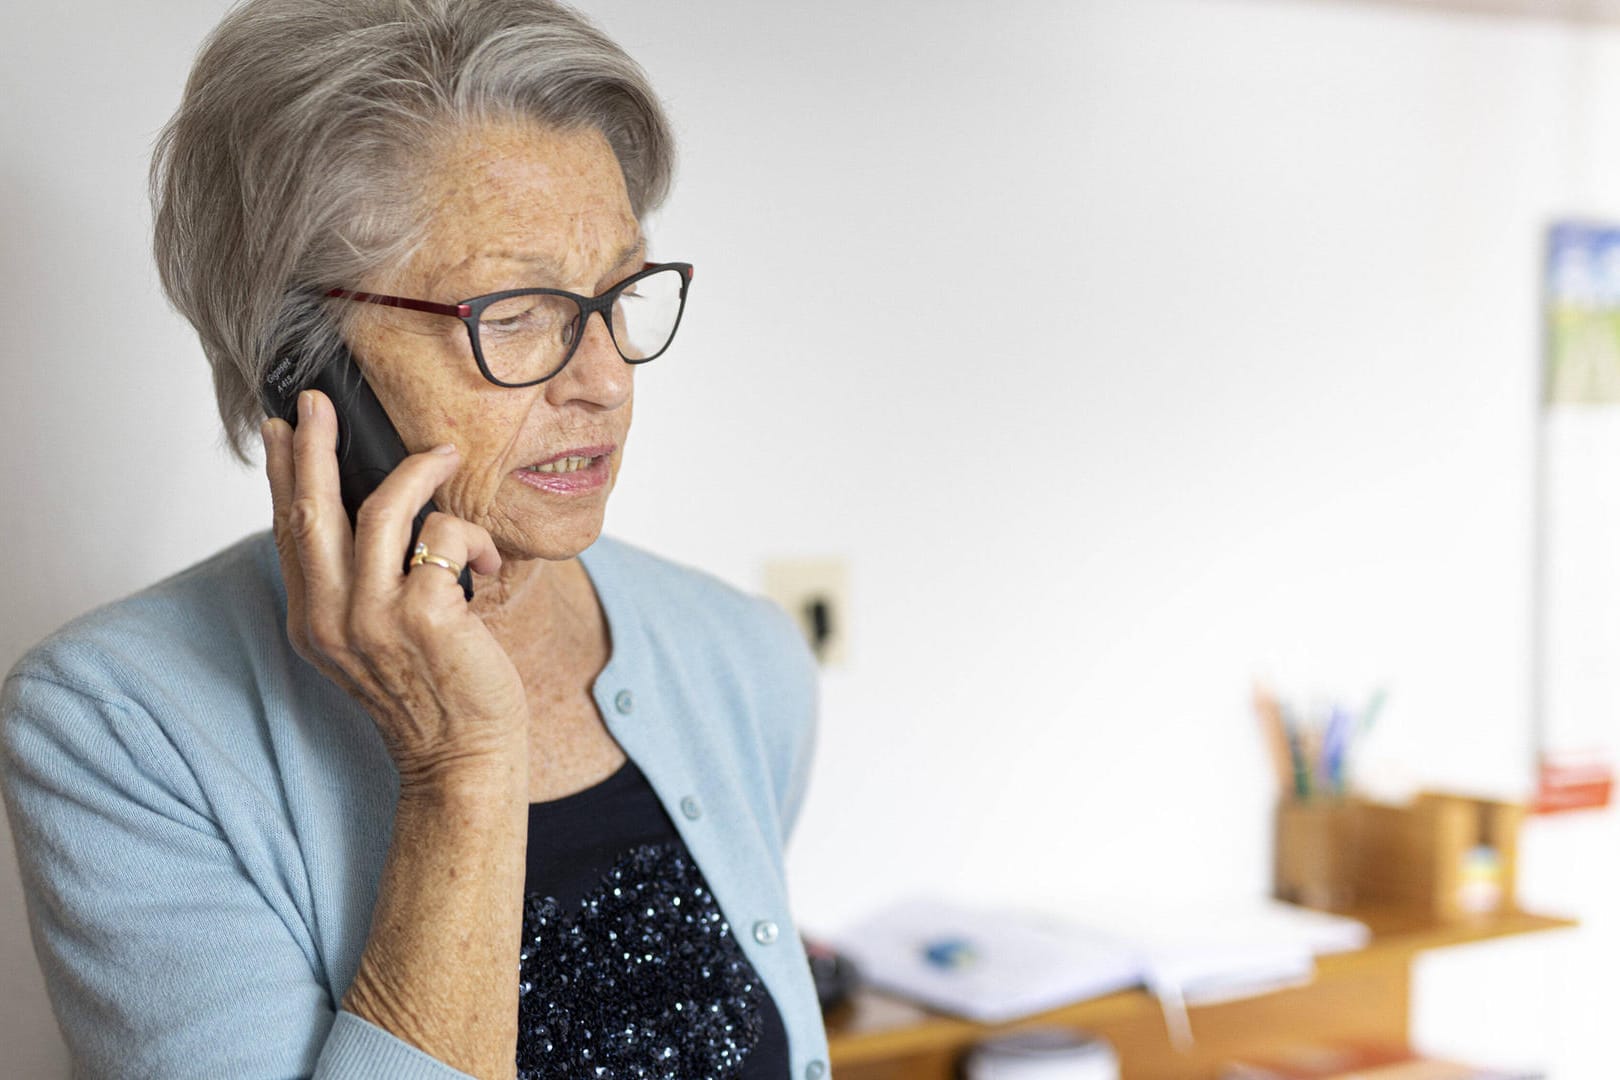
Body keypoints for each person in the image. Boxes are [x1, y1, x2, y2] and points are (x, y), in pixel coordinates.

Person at [0, 2, 827, 1078]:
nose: (606, 382)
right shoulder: (116, 730)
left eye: (620, 292)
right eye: (515, 313)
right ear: (306, 364)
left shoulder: (739, 657)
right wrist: (460, 768)